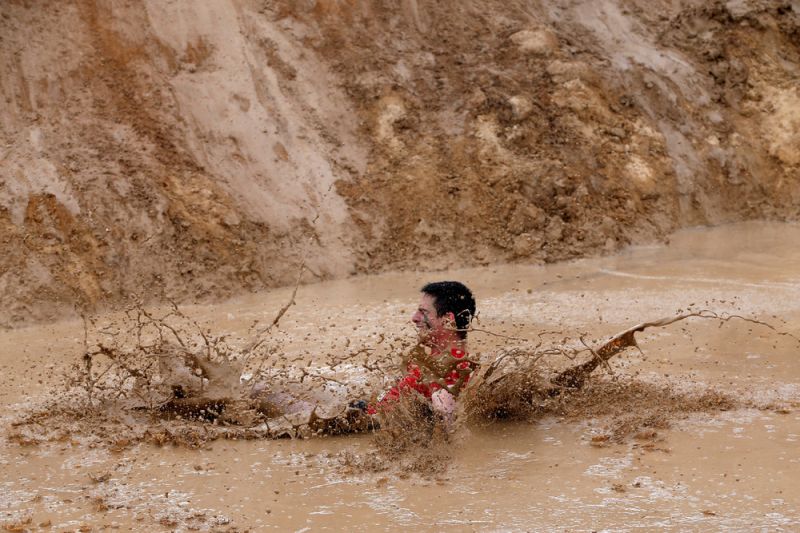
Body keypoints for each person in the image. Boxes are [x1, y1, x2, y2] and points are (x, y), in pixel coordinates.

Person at [359, 281, 478, 421]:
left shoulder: (448, 367)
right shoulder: (447, 362)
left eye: (423, 312)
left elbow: (446, 418)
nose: (414, 318)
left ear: (447, 320)